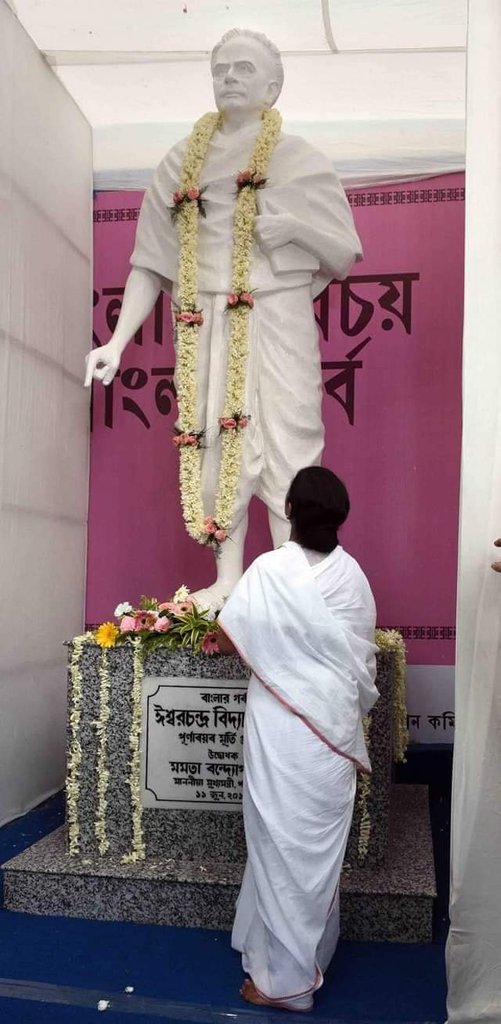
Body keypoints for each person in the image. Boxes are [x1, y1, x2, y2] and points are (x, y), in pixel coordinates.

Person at [84, 28, 362, 612]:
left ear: (273, 86)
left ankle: (294, 580)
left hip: (277, 312)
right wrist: (117, 339)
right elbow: (150, 264)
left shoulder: (299, 159)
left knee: (289, 437)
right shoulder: (180, 162)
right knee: (212, 439)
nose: (229, 77)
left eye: (243, 68)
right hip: (204, 316)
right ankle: (229, 577)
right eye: (220, 69)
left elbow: (343, 253)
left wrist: (294, 229)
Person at [216, 466, 379, 1011]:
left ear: (288, 508)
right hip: (331, 732)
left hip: (281, 727)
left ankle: (284, 986)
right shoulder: (353, 576)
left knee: (275, 842)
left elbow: (234, 634)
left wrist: (281, 667)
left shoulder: (269, 570)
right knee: (308, 856)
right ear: (340, 515)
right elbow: (361, 659)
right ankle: (294, 954)